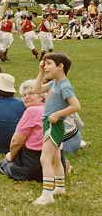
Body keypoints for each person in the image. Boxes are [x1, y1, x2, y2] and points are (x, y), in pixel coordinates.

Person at [32, 52, 80, 205]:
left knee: (44, 158)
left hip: (54, 124)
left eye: (49, 64)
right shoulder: (55, 84)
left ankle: (47, 195)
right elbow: (37, 90)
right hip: (49, 122)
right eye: (44, 64)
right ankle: (59, 187)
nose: (45, 67)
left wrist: (58, 114)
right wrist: (40, 72)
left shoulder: (64, 86)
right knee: (55, 158)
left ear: (60, 67)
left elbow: (76, 106)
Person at [0, 79, 45, 181]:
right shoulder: (50, 109)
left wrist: (10, 155)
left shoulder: (31, 111)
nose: (27, 97)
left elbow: (16, 141)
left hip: (35, 164)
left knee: (5, 164)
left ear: (41, 96)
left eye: (31, 93)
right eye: (24, 95)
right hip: (55, 163)